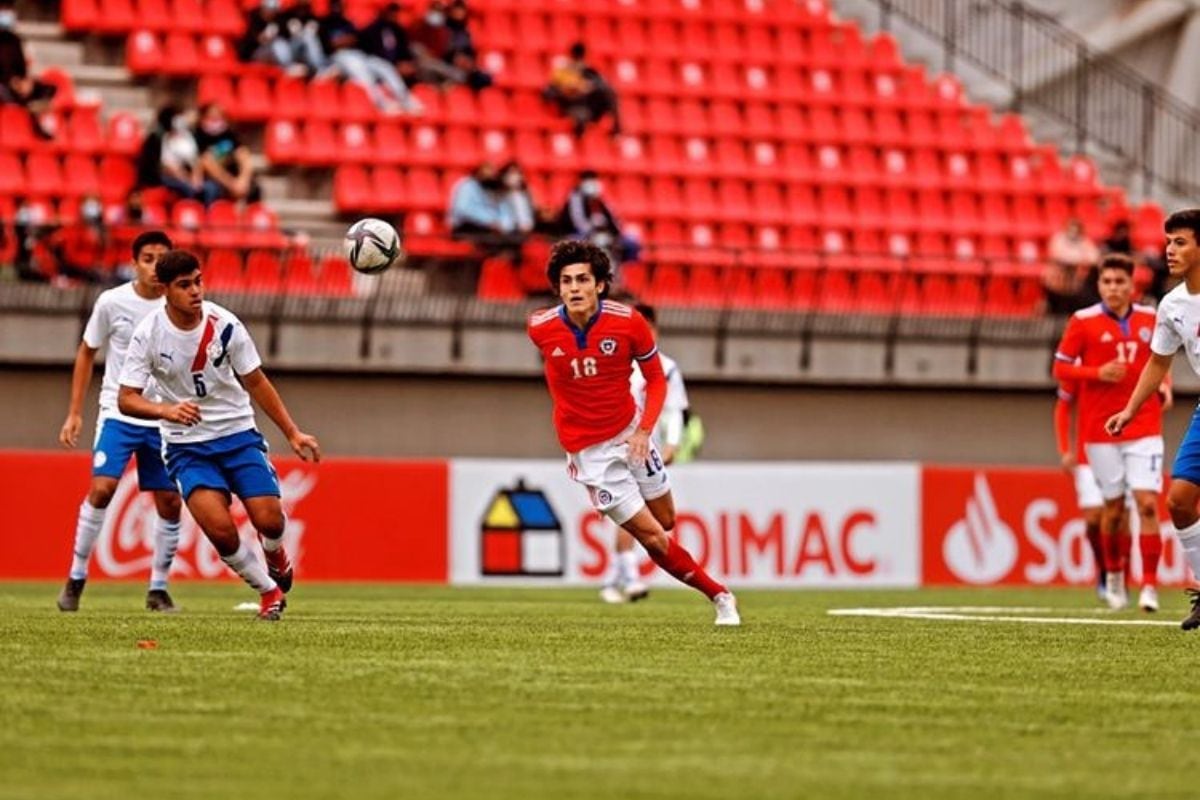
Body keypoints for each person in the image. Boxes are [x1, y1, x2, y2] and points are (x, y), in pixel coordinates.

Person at [526, 240, 739, 625]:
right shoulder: (540, 327)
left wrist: (644, 432)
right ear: (558, 288)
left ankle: (629, 568)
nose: (574, 288)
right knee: (655, 538)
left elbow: (657, 380)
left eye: (582, 280)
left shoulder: (629, 323)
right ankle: (721, 597)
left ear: (600, 285)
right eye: (566, 281)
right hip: (591, 455)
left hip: (631, 434)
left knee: (667, 519)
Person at [118, 250, 321, 621]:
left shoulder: (225, 324)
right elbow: (126, 398)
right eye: (184, 285)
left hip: (237, 435)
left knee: (270, 521)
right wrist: (166, 410)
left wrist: (292, 432)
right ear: (164, 290)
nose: (195, 291)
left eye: (198, 281)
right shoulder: (147, 335)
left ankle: (274, 552)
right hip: (185, 446)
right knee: (222, 532)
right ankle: (268, 592)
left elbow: (256, 380)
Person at [55, 231, 182, 613]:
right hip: (119, 411)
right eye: (147, 258)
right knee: (103, 488)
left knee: (169, 501)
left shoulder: (180, 307)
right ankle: (76, 576)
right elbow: (86, 351)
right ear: (134, 263)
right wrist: (75, 412)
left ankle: (158, 587)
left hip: (162, 417)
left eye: (162, 258)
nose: (154, 266)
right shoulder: (112, 302)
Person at [1054, 254, 1167, 612]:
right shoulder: (1082, 322)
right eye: (1107, 282)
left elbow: (1161, 360)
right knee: (1113, 512)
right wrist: (1096, 373)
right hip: (1100, 431)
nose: (1114, 288)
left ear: (1132, 285)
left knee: (1148, 504)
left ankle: (1149, 586)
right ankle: (1115, 575)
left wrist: (1165, 385)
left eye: (1121, 282)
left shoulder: (1153, 318)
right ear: (1100, 285)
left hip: (1144, 425)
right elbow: (1060, 368)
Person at [1109, 210, 1200, 629]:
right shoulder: (1172, 305)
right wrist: (1130, 409)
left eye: (1180, 242)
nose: (1169, 250)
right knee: (1179, 501)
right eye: (1168, 242)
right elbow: (1158, 362)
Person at [600, 303, 692, 604]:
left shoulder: (665, 368)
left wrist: (673, 443)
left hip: (649, 447)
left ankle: (617, 578)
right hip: (618, 445)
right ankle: (628, 577)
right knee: (634, 510)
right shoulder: (615, 361)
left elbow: (675, 408)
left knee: (647, 515)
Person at [1054, 378, 1111, 603]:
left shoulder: (1131, 354)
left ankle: (1117, 572)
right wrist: (1065, 449)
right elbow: (1062, 407)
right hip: (1088, 455)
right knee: (1093, 520)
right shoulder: (1083, 365)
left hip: (1124, 451)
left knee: (1116, 519)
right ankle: (1105, 570)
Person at [319, 0, 422, 114]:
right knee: (361, 71)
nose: (338, 7)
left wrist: (347, 40)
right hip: (336, 58)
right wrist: (342, 42)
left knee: (385, 67)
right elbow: (328, 45)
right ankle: (381, 102)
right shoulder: (325, 23)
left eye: (340, 4)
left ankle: (406, 100)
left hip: (357, 55)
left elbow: (357, 40)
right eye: (335, 4)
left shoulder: (347, 23)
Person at [558, 170, 640, 268]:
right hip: (580, 235)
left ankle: (630, 272)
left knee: (630, 243)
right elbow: (577, 222)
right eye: (589, 180)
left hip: (606, 235)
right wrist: (593, 232)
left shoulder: (600, 200)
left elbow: (614, 222)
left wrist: (613, 234)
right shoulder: (575, 198)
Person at [0, 2, 56, 139]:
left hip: (18, 84)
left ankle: (36, 120)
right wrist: (11, 82)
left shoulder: (16, 41)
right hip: (3, 86)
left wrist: (26, 82)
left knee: (48, 88)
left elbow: (22, 68)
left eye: (8, 10)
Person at [543, 42, 621, 138]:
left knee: (608, 92)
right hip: (570, 104)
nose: (580, 61)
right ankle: (578, 136)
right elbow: (550, 91)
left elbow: (599, 87)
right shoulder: (562, 72)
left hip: (589, 105)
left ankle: (617, 128)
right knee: (581, 115)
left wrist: (588, 87)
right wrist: (570, 90)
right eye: (578, 58)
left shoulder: (590, 72)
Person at [194, 103, 262, 204]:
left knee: (254, 186)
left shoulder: (228, 134)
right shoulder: (198, 135)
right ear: (203, 117)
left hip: (234, 175)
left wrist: (243, 179)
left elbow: (242, 153)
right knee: (208, 166)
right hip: (214, 179)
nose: (216, 119)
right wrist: (231, 184)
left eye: (219, 116)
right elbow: (204, 162)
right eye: (212, 117)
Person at [47, 195, 108, 284]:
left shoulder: (105, 230)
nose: (91, 208)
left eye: (95, 204)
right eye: (89, 204)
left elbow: (106, 251)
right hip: (74, 268)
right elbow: (55, 243)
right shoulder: (73, 228)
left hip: (94, 270)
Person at [1044, 218, 1100, 314]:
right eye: (1071, 229)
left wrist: (1080, 259)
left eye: (1076, 229)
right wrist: (1079, 259)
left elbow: (1094, 257)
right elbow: (1060, 255)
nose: (1073, 232)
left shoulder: (1083, 241)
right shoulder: (1058, 239)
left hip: (1075, 280)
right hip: (1058, 279)